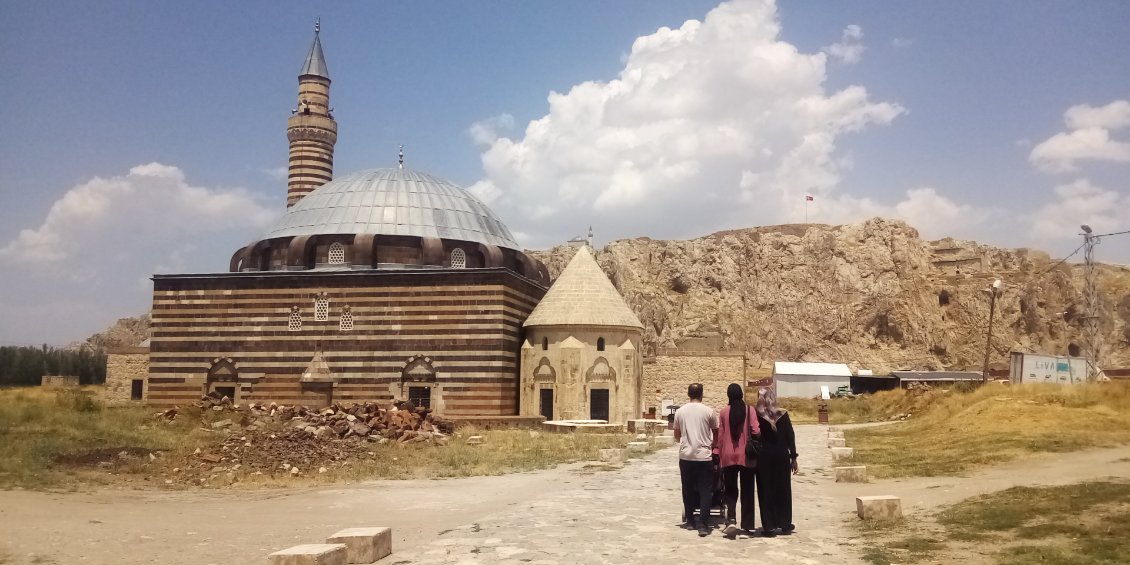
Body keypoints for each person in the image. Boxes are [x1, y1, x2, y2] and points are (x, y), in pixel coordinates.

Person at [673, 383, 718, 537]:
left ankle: (690, 521)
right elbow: (716, 433)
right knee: (706, 490)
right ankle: (703, 524)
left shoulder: (680, 412)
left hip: (686, 456)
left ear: (688, 394)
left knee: (687, 488)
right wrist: (712, 445)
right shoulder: (709, 412)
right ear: (702, 394)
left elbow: (677, 435)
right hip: (704, 456)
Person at [715, 383, 759, 538]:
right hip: (746, 456)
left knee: (730, 490)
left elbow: (720, 437)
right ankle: (747, 527)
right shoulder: (749, 410)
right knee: (747, 490)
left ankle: (731, 520)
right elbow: (756, 430)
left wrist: (719, 454)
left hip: (728, 455)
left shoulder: (723, 412)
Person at [754, 386, 798, 536]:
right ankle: (785, 523)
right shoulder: (783, 414)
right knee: (783, 489)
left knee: (766, 490)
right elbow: (790, 436)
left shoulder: (756, 415)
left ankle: (769, 525)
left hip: (764, 457)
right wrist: (793, 457)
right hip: (781, 457)